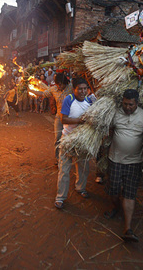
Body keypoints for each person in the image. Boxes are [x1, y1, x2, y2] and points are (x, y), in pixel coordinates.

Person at [103, 89, 143, 242]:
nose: (127, 107)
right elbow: (109, 129)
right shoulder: (115, 113)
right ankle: (115, 207)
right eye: (125, 104)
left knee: (130, 193)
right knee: (113, 189)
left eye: (131, 105)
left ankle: (128, 228)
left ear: (137, 103)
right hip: (115, 159)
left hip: (134, 161)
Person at [54, 78, 93, 209]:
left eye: (85, 88)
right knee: (64, 168)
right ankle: (60, 197)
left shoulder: (89, 101)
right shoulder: (69, 99)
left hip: (82, 140)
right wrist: (79, 121)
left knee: (83, 166)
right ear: (74, 89)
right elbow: (63, 118)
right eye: (80, 89)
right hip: (68, 139)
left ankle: (80, 188)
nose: (83, 91)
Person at [38, 73, 71, 165]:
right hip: (59, 118)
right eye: (57, 84)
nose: (59, 86)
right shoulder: (54, 89)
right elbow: (43, 94)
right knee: (57, 138)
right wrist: (30, 90)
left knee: (69, 139)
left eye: (61, 84)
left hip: (70, 119)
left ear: (65, 82)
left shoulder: (71, 87)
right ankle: (58, 158)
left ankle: (69, 157)